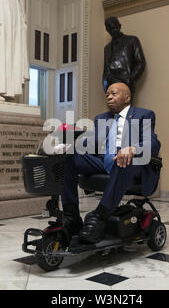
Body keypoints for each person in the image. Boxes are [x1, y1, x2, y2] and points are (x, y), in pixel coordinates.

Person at [61, 82, 161, 243]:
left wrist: (133, 149)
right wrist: (71, 145)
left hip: (132, 164)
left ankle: (100, 215)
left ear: (127, 98)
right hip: (103, 162)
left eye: (114, 93)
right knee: (69, 156)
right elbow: (93, 143)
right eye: (107, 94)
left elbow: (153, 143)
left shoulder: (143, 115)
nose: (109, 96)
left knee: (123, 159)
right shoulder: (102, 118)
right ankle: (71, 216)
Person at [102, 17, 146, 98]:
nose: (112, 31)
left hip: (126, 82)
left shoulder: (132, 40)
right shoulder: (107, 48)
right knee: (114, 110)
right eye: (109, 29)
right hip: (111, 85)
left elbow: (140, 62)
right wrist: (106, 88)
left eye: (114, 27)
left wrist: (130, 80)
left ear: (119, 26)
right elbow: (105, 71)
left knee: (126, 109)